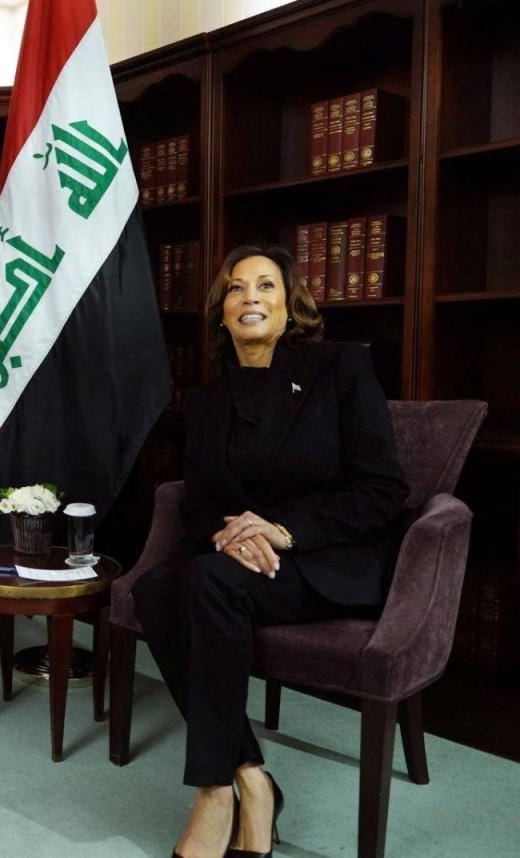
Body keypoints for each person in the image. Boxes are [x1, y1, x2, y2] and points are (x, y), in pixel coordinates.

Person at [131, 245, 408, 858]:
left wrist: (283, 530)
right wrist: (231, 534)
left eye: (265, 286)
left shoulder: (341, 368)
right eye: (236, 288)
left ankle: (213, 791)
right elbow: (201, 503)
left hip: (328, 559)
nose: (249, 297)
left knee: (206, 582)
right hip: (240, 559)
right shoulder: (206, 401)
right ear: (222, 311)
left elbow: (383, 491)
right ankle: (251, 779)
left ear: (290, 306)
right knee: (154, 587)